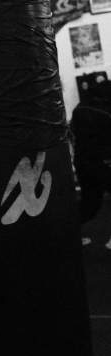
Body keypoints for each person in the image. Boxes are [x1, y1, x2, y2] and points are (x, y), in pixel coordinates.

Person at [70, 76, 111, 247]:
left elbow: (73, 134)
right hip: (102, 163)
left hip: (83, 163)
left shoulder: (79, 109)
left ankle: (68, 236)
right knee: (91, 203)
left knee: (89, 204)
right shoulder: (105, 113)